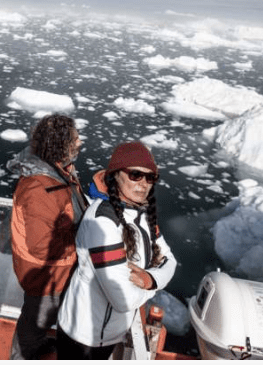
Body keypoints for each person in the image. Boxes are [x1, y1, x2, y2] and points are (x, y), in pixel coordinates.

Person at [56, 142, 177, 359]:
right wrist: (154, 286)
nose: (144, 184)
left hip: (110, 333)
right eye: (135, 175)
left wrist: (150, 279)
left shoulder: (141, 214)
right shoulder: (102, 223)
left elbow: (171, 261)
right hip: (84, 336)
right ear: (115, 175)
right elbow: (124, 300)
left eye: (150, 178)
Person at [9, 114, 88, 359]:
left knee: (38, 323)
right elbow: (41, 245)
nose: (80, 142)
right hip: (46, 275)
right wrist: (79, 244)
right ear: (60, 144)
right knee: (33, 325)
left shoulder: (57, 172)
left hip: (56, 271)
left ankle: (36, 346)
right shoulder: (40, 189)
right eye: (75, 138)